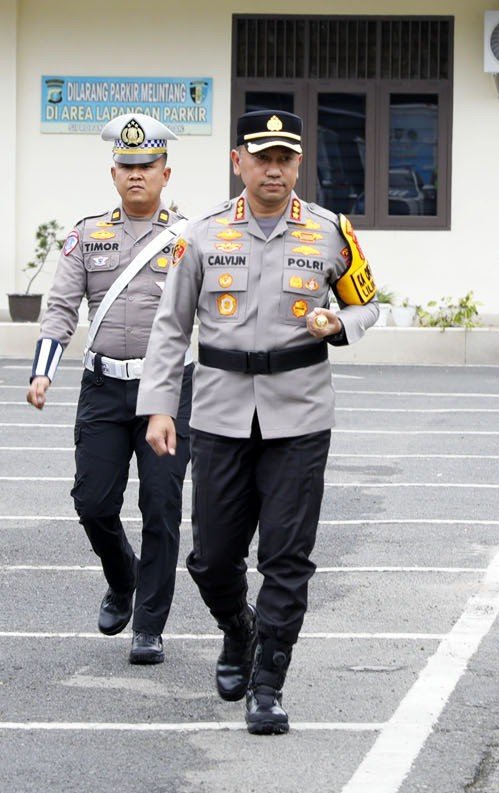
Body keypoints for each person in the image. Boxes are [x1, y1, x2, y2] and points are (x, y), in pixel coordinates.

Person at [137, 110, 381, 735]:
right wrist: (160, 406)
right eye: (262, 157)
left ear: (299, 165)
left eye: (286, 159)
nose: (274, 170)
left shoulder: (332, 231)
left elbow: (369, 304)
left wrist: (341, 325)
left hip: (299, 413)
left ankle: (268, 683)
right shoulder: (201, 234)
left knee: (287, 557)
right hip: (218, 412)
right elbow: (171, 327)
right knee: (211, 559)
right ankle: (238, 629)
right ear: (237, 161)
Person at [26, 114, 190, 665]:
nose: (137, 175)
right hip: (102, 386)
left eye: (148, 166)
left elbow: (216, 312)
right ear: (113, 172)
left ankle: (150, 626)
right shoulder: (87, 235)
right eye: (127, 166)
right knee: (93, 502)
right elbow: (60, 309)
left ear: (166, 172)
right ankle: (123, 580)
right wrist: (43, 372)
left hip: (164, 390)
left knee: (161, 504)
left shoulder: (189, 238)